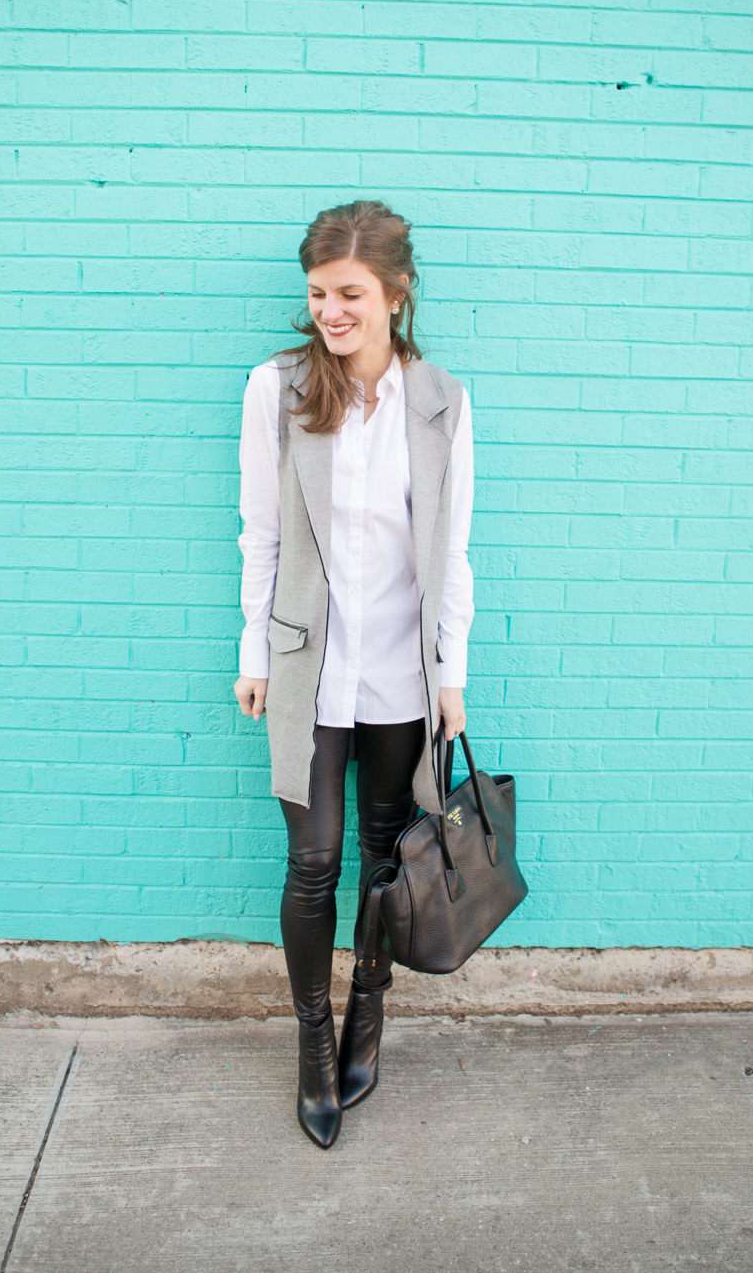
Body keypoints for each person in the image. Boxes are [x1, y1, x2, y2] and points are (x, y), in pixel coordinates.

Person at [233, 199, 475, 1149]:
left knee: (385, 864)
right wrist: (253, 651)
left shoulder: (442, 400)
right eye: (318, 294)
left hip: (402, 675)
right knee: (314, 861)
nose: (331, 311)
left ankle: (367, 1016)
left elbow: (451, 553)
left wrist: (450, 672)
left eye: (349, 294)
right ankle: (311, 1044)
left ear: (395, 293)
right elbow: (262, 533)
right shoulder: (278, 388)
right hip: (308, 666)